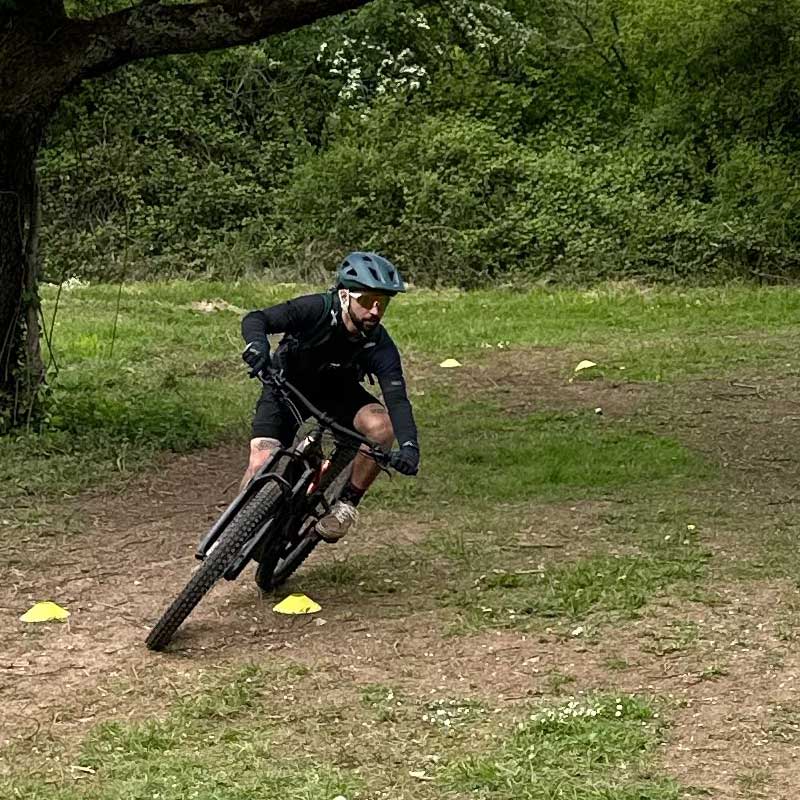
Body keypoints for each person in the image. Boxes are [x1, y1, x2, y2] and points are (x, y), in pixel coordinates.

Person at [239, 251, 420, 542]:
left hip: (337, 393)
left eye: (382, 302)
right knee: (261, 462)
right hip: (288, 386)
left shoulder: (380, 345)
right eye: (367, 300)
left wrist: (410, 447)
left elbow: (397, 400)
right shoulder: (317, 308)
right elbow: (256, 319)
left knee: (382, 427)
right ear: (345, 295)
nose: (375, 311)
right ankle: (232, 532)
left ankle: (346, 505)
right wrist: (258, 347)